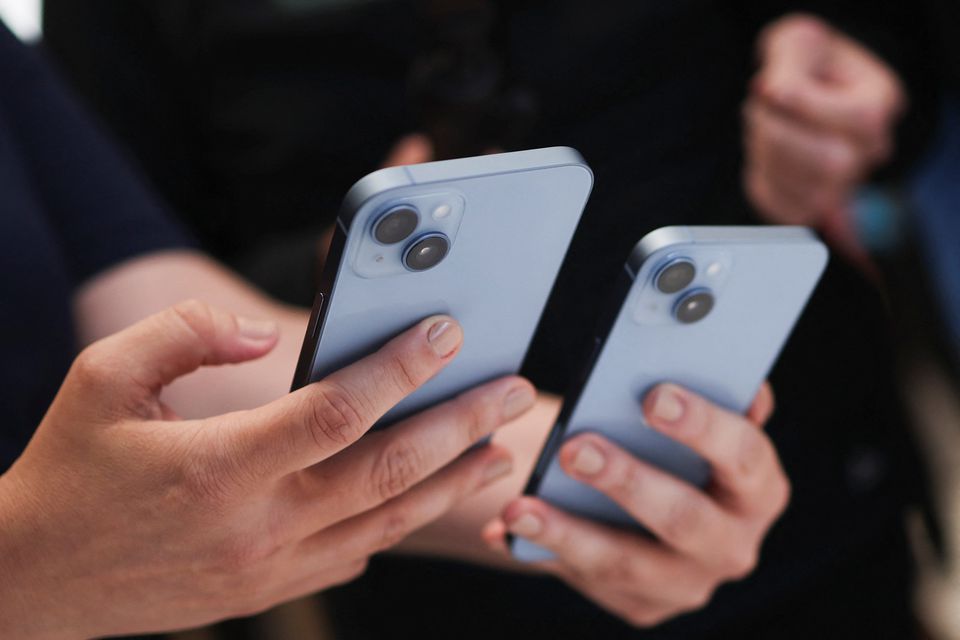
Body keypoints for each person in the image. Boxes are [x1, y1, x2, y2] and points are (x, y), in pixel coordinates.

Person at [40, 2, 931, 638]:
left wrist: (855, 48)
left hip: (810, 466)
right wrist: (333, 288)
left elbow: (900, 43)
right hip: (437, 573)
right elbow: (121, 267)